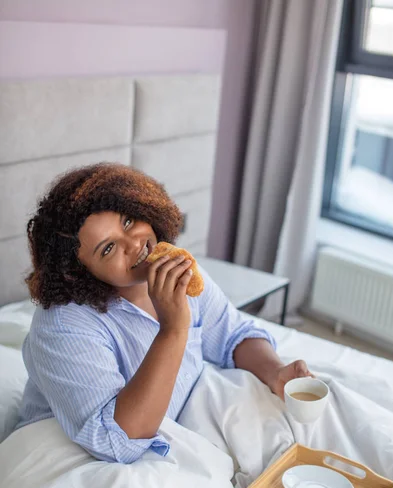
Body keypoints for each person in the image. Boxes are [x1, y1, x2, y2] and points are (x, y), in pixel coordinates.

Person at [17, 163, 312, 463]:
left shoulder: (176, 269)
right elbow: (117, 440)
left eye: (129, 220)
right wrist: (173, 329)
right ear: (79, 274)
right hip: (74, 455)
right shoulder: (60, 327)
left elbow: (233, 335)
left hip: (174, 424)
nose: (134, 243)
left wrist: (276, 373)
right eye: (108, 249)